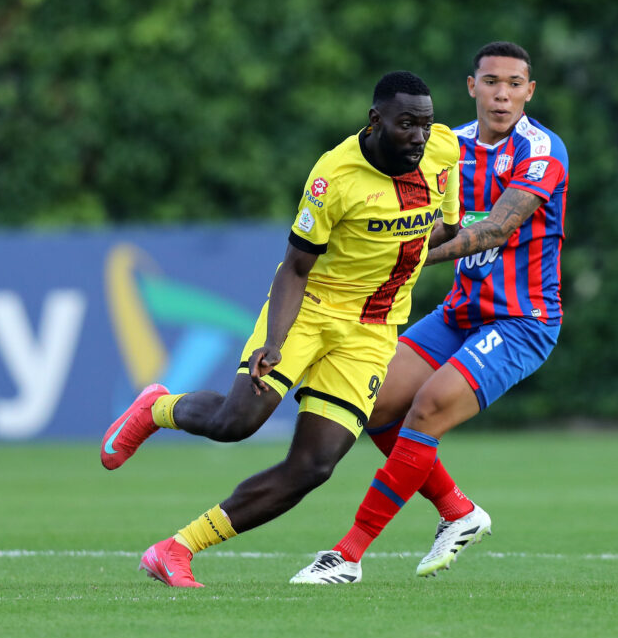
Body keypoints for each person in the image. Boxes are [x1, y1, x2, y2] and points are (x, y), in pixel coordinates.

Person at [99, 71, 464, 588]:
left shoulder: (443, 151)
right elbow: (295, 267)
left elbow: (447, 227)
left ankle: (175, 550)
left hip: (371, 331)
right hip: (310, 310)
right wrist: (273, 342)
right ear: (375, 120)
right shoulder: (334, 177)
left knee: (314, 466)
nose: (419, 136)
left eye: (425, 124)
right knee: (237, 422)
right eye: (407, 124)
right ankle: (157, 407)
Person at [291, 41, 569, 584]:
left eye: (515, 84)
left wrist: (408, 255)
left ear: (530, 92)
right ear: (472, 87)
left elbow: (496, 228)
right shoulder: (446, 145)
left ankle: (347, 556)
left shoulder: (542, 150)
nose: (502, 94)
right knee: (374, 404)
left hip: (523, 320)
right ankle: (458, 511)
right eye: (492, 81)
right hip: (461, 311)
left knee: (428, 408)